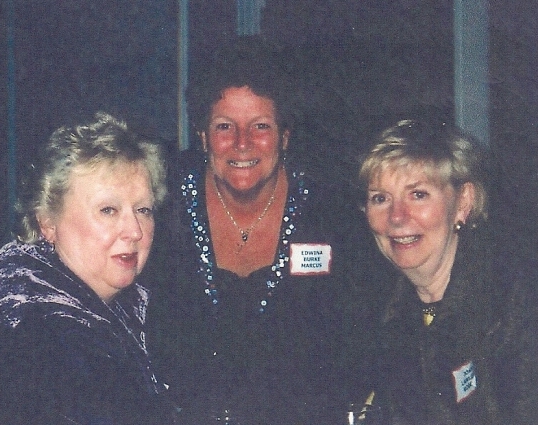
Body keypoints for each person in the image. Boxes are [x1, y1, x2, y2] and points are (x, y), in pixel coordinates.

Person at [144, 36, 386, 424]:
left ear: (285, 137)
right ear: (203, 137)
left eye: (260, 126)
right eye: (225, 126)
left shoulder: (333, 215)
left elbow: (367, 347)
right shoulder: (160, 208)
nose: (242, 144)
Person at [0, 112, 174, 424]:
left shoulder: (75, 288)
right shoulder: (37, 325)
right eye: (108, 210)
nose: (134, 230)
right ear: (47, 221)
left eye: (143, 210)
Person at [359, 118, 538, 424]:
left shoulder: (515, 305)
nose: (397, 217)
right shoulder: (382, 316)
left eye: (418, 194)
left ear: (463, 203)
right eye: (380, 199)